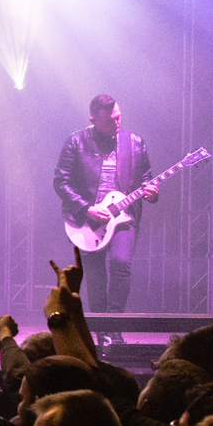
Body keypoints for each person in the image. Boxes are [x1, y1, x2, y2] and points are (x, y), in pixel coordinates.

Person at [52, 94, 158, 313]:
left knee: (121, 265)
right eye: (110, 121)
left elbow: (147, 179)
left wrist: (152, 192)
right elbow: (61, 182)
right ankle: (101, 331)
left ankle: (115, 324)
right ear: (93, 120)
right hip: (87, 221)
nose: (117, 124)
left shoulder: (135, 142)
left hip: (123, 217)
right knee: (95, 278)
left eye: (118, 118)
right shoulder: (76, 141)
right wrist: (86, 208)